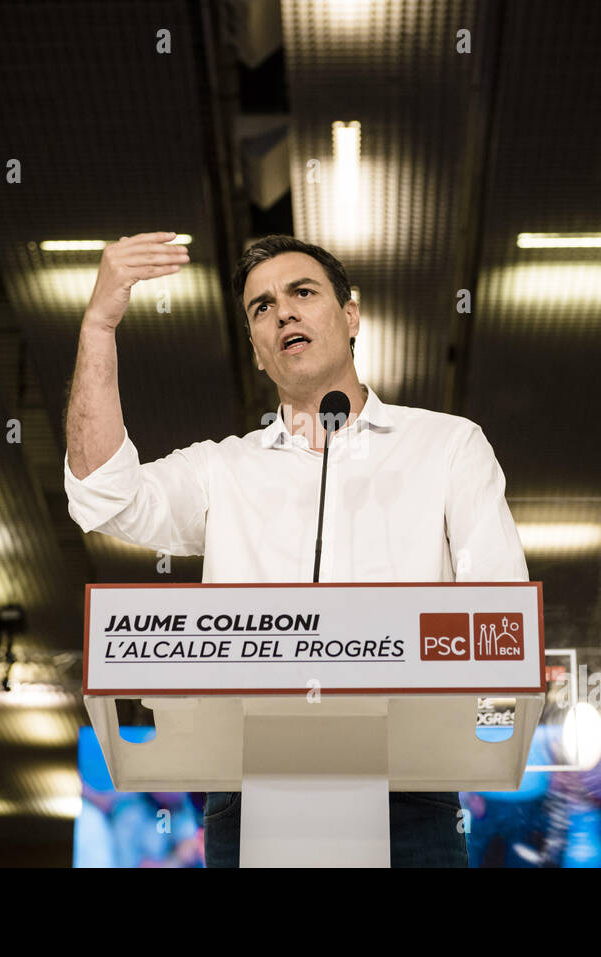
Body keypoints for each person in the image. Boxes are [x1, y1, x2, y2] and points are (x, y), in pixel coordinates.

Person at [63, 232, 528, 867]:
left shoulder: (446, 446)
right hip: (248, 792)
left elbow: (499, 618)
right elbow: (99, 496)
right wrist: (99, 324)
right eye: (261, 307)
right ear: (257, 351)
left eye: (302, 292)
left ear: (351, 314)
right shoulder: (223, 469)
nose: (282, 312)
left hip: (409, 791)